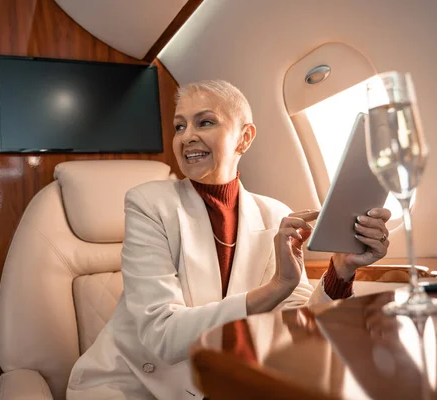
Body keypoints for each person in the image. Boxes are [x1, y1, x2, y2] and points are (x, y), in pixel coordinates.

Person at [66, 80, 391, 399]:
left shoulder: (274, 213)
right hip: (129, 387)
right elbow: (162, 337)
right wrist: (276, 286)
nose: (187, 136)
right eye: (179, 127)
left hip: (219, 383)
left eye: (204, 122)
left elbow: (296, 325)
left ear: (244, 138)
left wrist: (341, 271)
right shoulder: (148, 203)